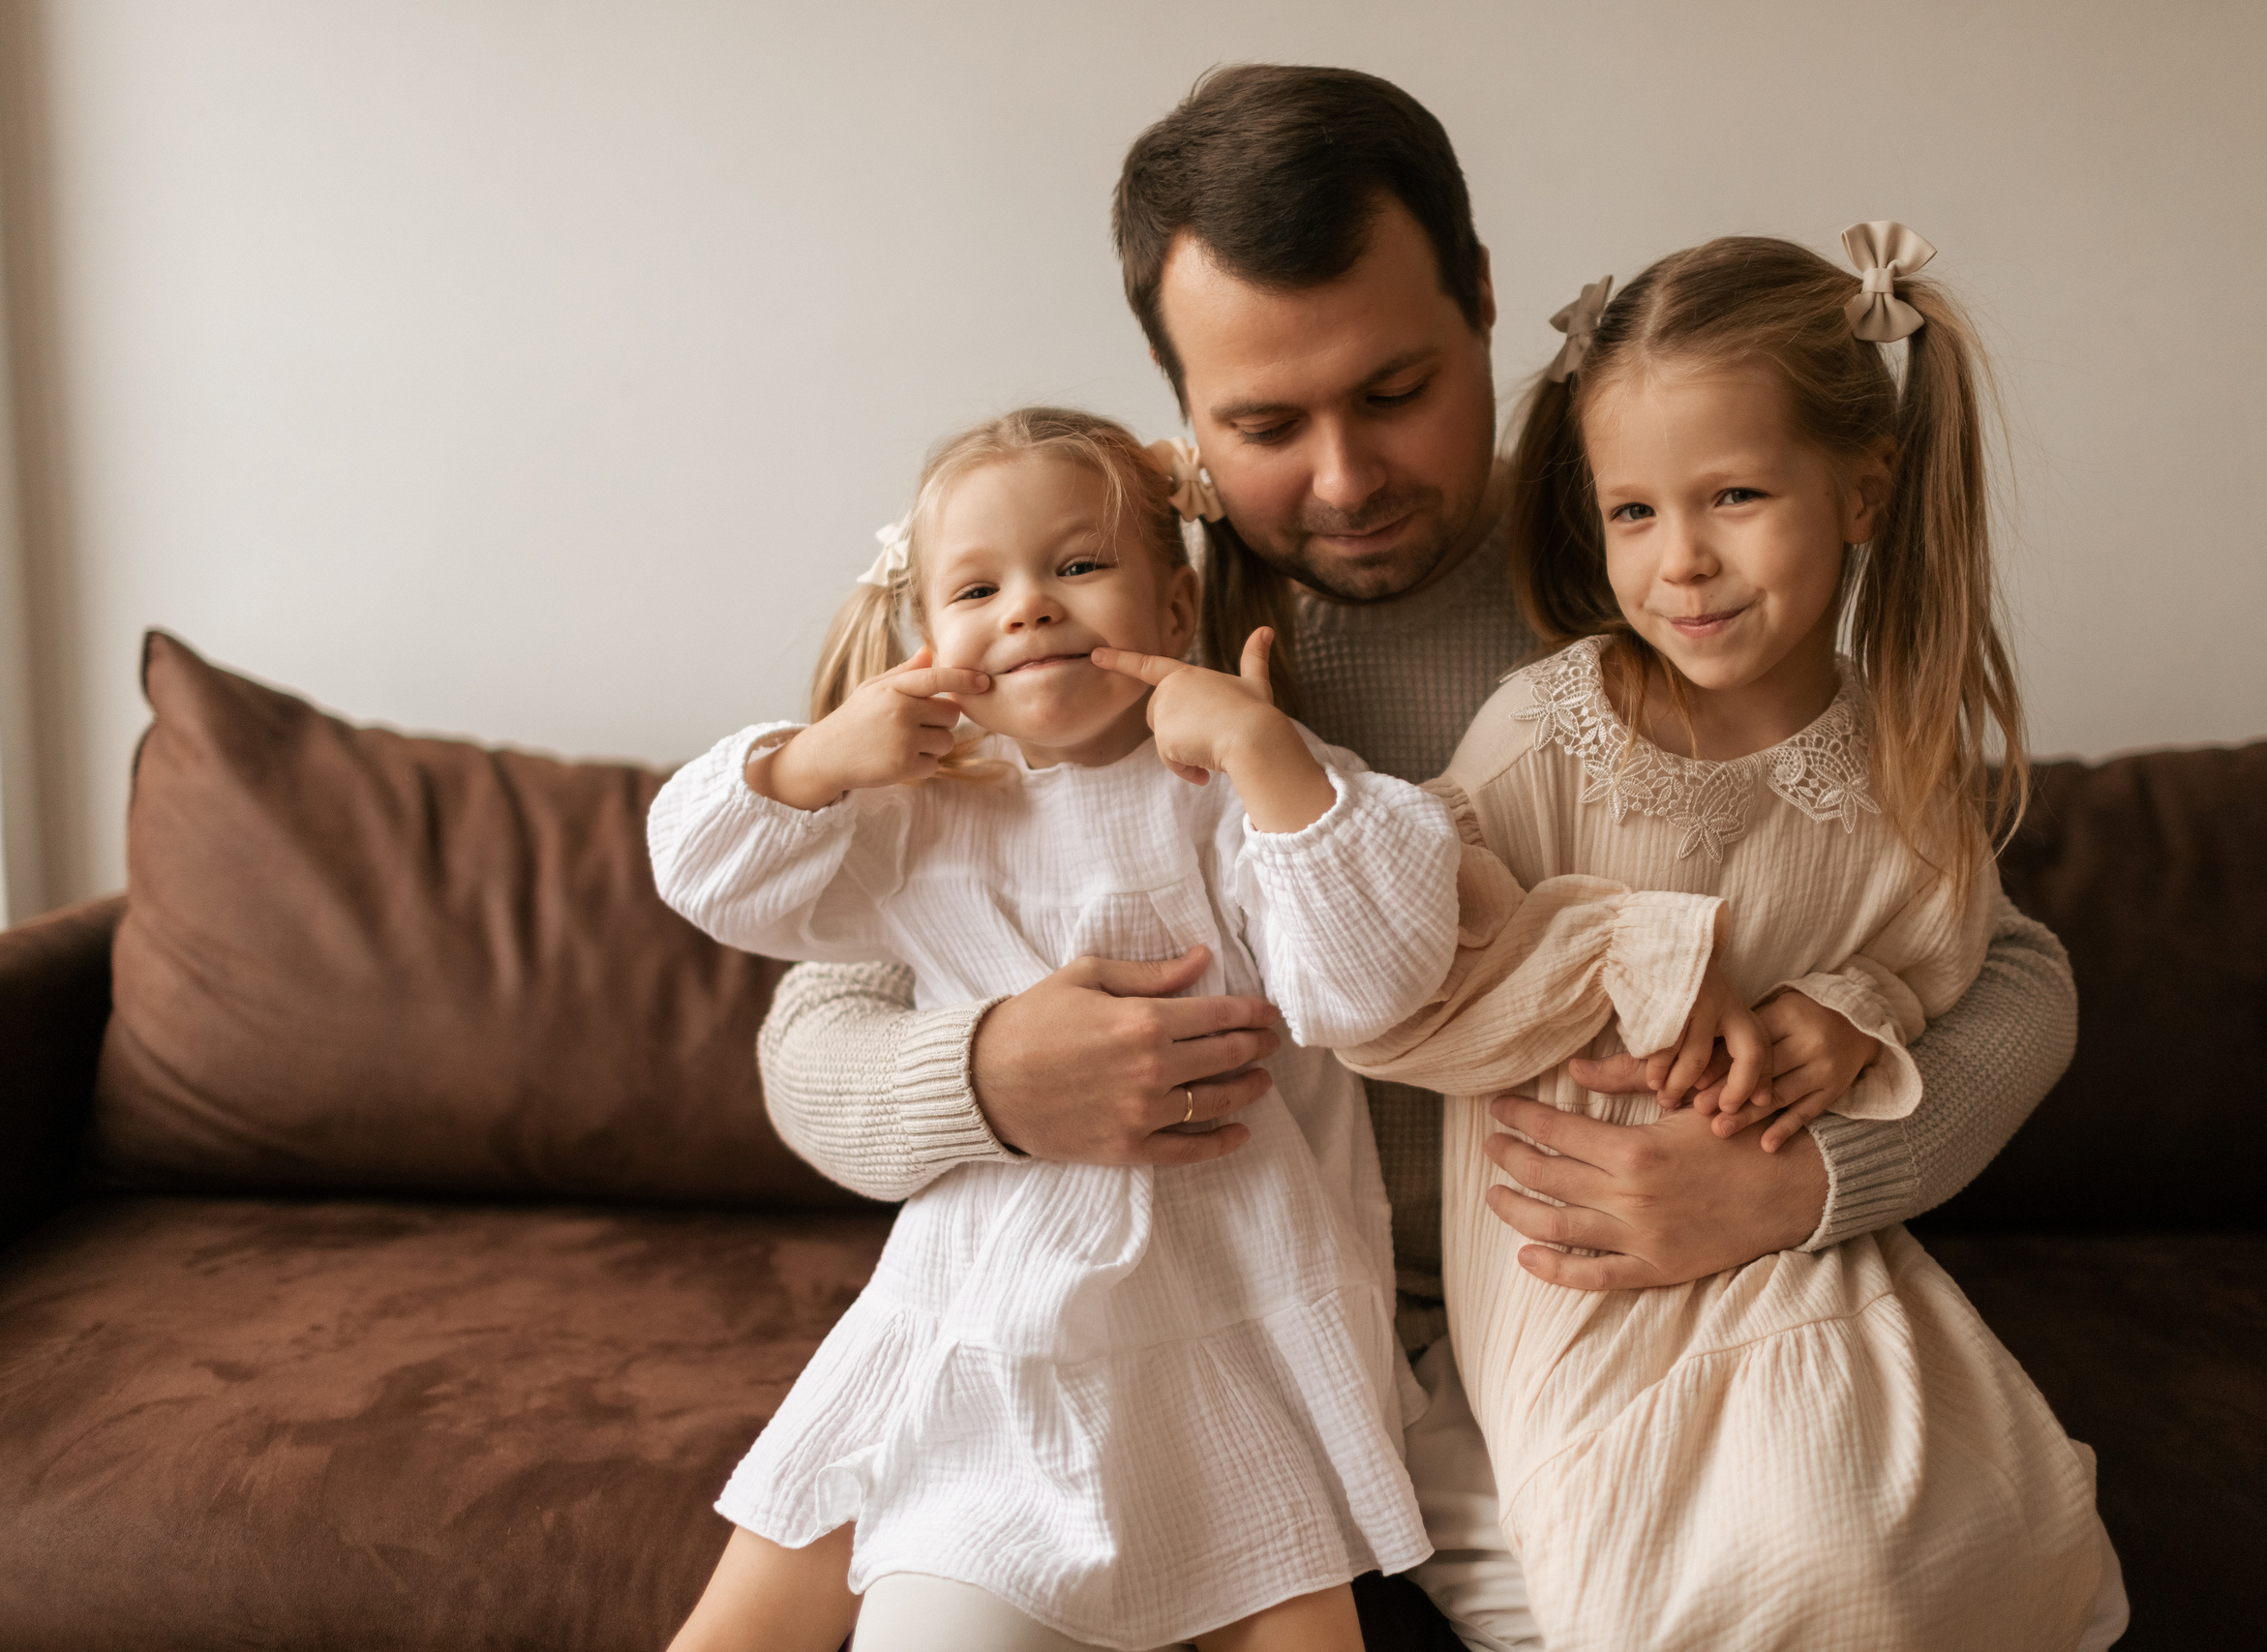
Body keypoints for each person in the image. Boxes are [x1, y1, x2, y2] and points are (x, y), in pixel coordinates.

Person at [751, 67, 2085, 1649]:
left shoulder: (1647, 560)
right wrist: (984, 1078)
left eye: (1395, 392)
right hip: (1202, 1345)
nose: (1341, 476)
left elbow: (2006, 963)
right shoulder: (1086, 612)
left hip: (1603, 1328)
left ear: (1487, 309)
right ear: (1181, 404)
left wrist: (1804, 1181)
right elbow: (811, 1032)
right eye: (1262, 422)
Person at [1340, 226, 2120, 1649]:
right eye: (1632, 512)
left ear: (1863, 491)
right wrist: (1634, 950)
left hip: (1794, 1245)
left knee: (1932, 1547)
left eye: (1737, 496)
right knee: (1736, 1583)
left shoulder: (1905, 756)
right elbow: (1397, 986)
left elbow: (1952, 960)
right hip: (1571, 1274)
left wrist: (1849, 1007)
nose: (1681, 562)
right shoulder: (1545, 731)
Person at [650, 408, 1464, 1651]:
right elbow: (707, 880)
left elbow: (1369, 986)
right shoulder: (923, 812)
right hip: (991, 1292)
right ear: (929, 641)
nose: (1030, 607)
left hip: (1233, 1286)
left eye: (1077, 566)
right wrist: (813, 761)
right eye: (979, 587)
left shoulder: (1235, 792)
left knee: (1296, 1602)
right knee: (766, 1599)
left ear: (1176, 609)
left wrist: (1267, 752)